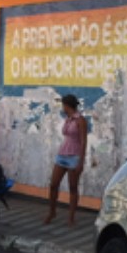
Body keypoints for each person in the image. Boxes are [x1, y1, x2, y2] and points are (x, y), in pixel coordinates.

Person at [45, 94, 88, 226]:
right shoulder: (68, 119)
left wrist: (81, 161)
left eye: (63, 105)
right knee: (53, 185)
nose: (62, 108)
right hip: (62, 154)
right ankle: (52, 212)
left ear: (67, 105)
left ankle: (71, 217)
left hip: (74, 156)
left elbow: (83, 141)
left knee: (73, 187)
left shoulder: (80, 120)